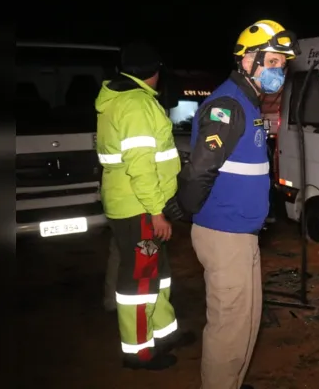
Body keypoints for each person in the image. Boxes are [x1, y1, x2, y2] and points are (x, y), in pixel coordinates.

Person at [176, 20, 300, 389]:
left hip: (242, 232)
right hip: (224, 233)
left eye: (283, 64)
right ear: (248, 60)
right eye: (274, 62)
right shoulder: (229, 104)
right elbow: (200, 167)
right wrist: (185, 208)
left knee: (246, 320)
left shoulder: (248, 102)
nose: (280, 71)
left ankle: (232, 381)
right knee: (229, 327)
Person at [95, 42, 193, 370]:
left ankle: (163, 333)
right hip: (139, 208)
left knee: (157, 275)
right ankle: (138, 351)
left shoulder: (122, 100)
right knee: (139, 282)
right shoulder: (137, 105)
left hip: (135, 204)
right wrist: (156, 211)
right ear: (155, 71)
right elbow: (140, 164)